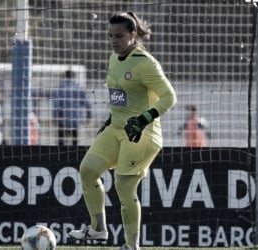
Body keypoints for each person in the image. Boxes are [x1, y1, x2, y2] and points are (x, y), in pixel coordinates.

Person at [69, 12, 177, 250]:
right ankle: (98, 230)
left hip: (142, 133)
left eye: (118, 36)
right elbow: (120, 97)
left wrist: (144, 118)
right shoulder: (113, 59)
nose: (113, 41)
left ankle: (131, 246)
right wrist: (108, 121)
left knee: (124, 186)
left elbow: (170, 97)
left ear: (133, 35)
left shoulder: (145, 63)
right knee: (88, 170)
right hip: (116, 128)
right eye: (110, 36)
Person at [53, 70, 92, 146]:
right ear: (74, 77)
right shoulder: (79, 88)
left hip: (62, 119)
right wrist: (89, 115)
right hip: (76, 119)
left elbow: (56, 104)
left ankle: (61, 156)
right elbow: (88, 103)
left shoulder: (60, 89)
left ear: (65, 76)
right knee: (75, 141)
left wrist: (55, 117)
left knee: (61, 141)